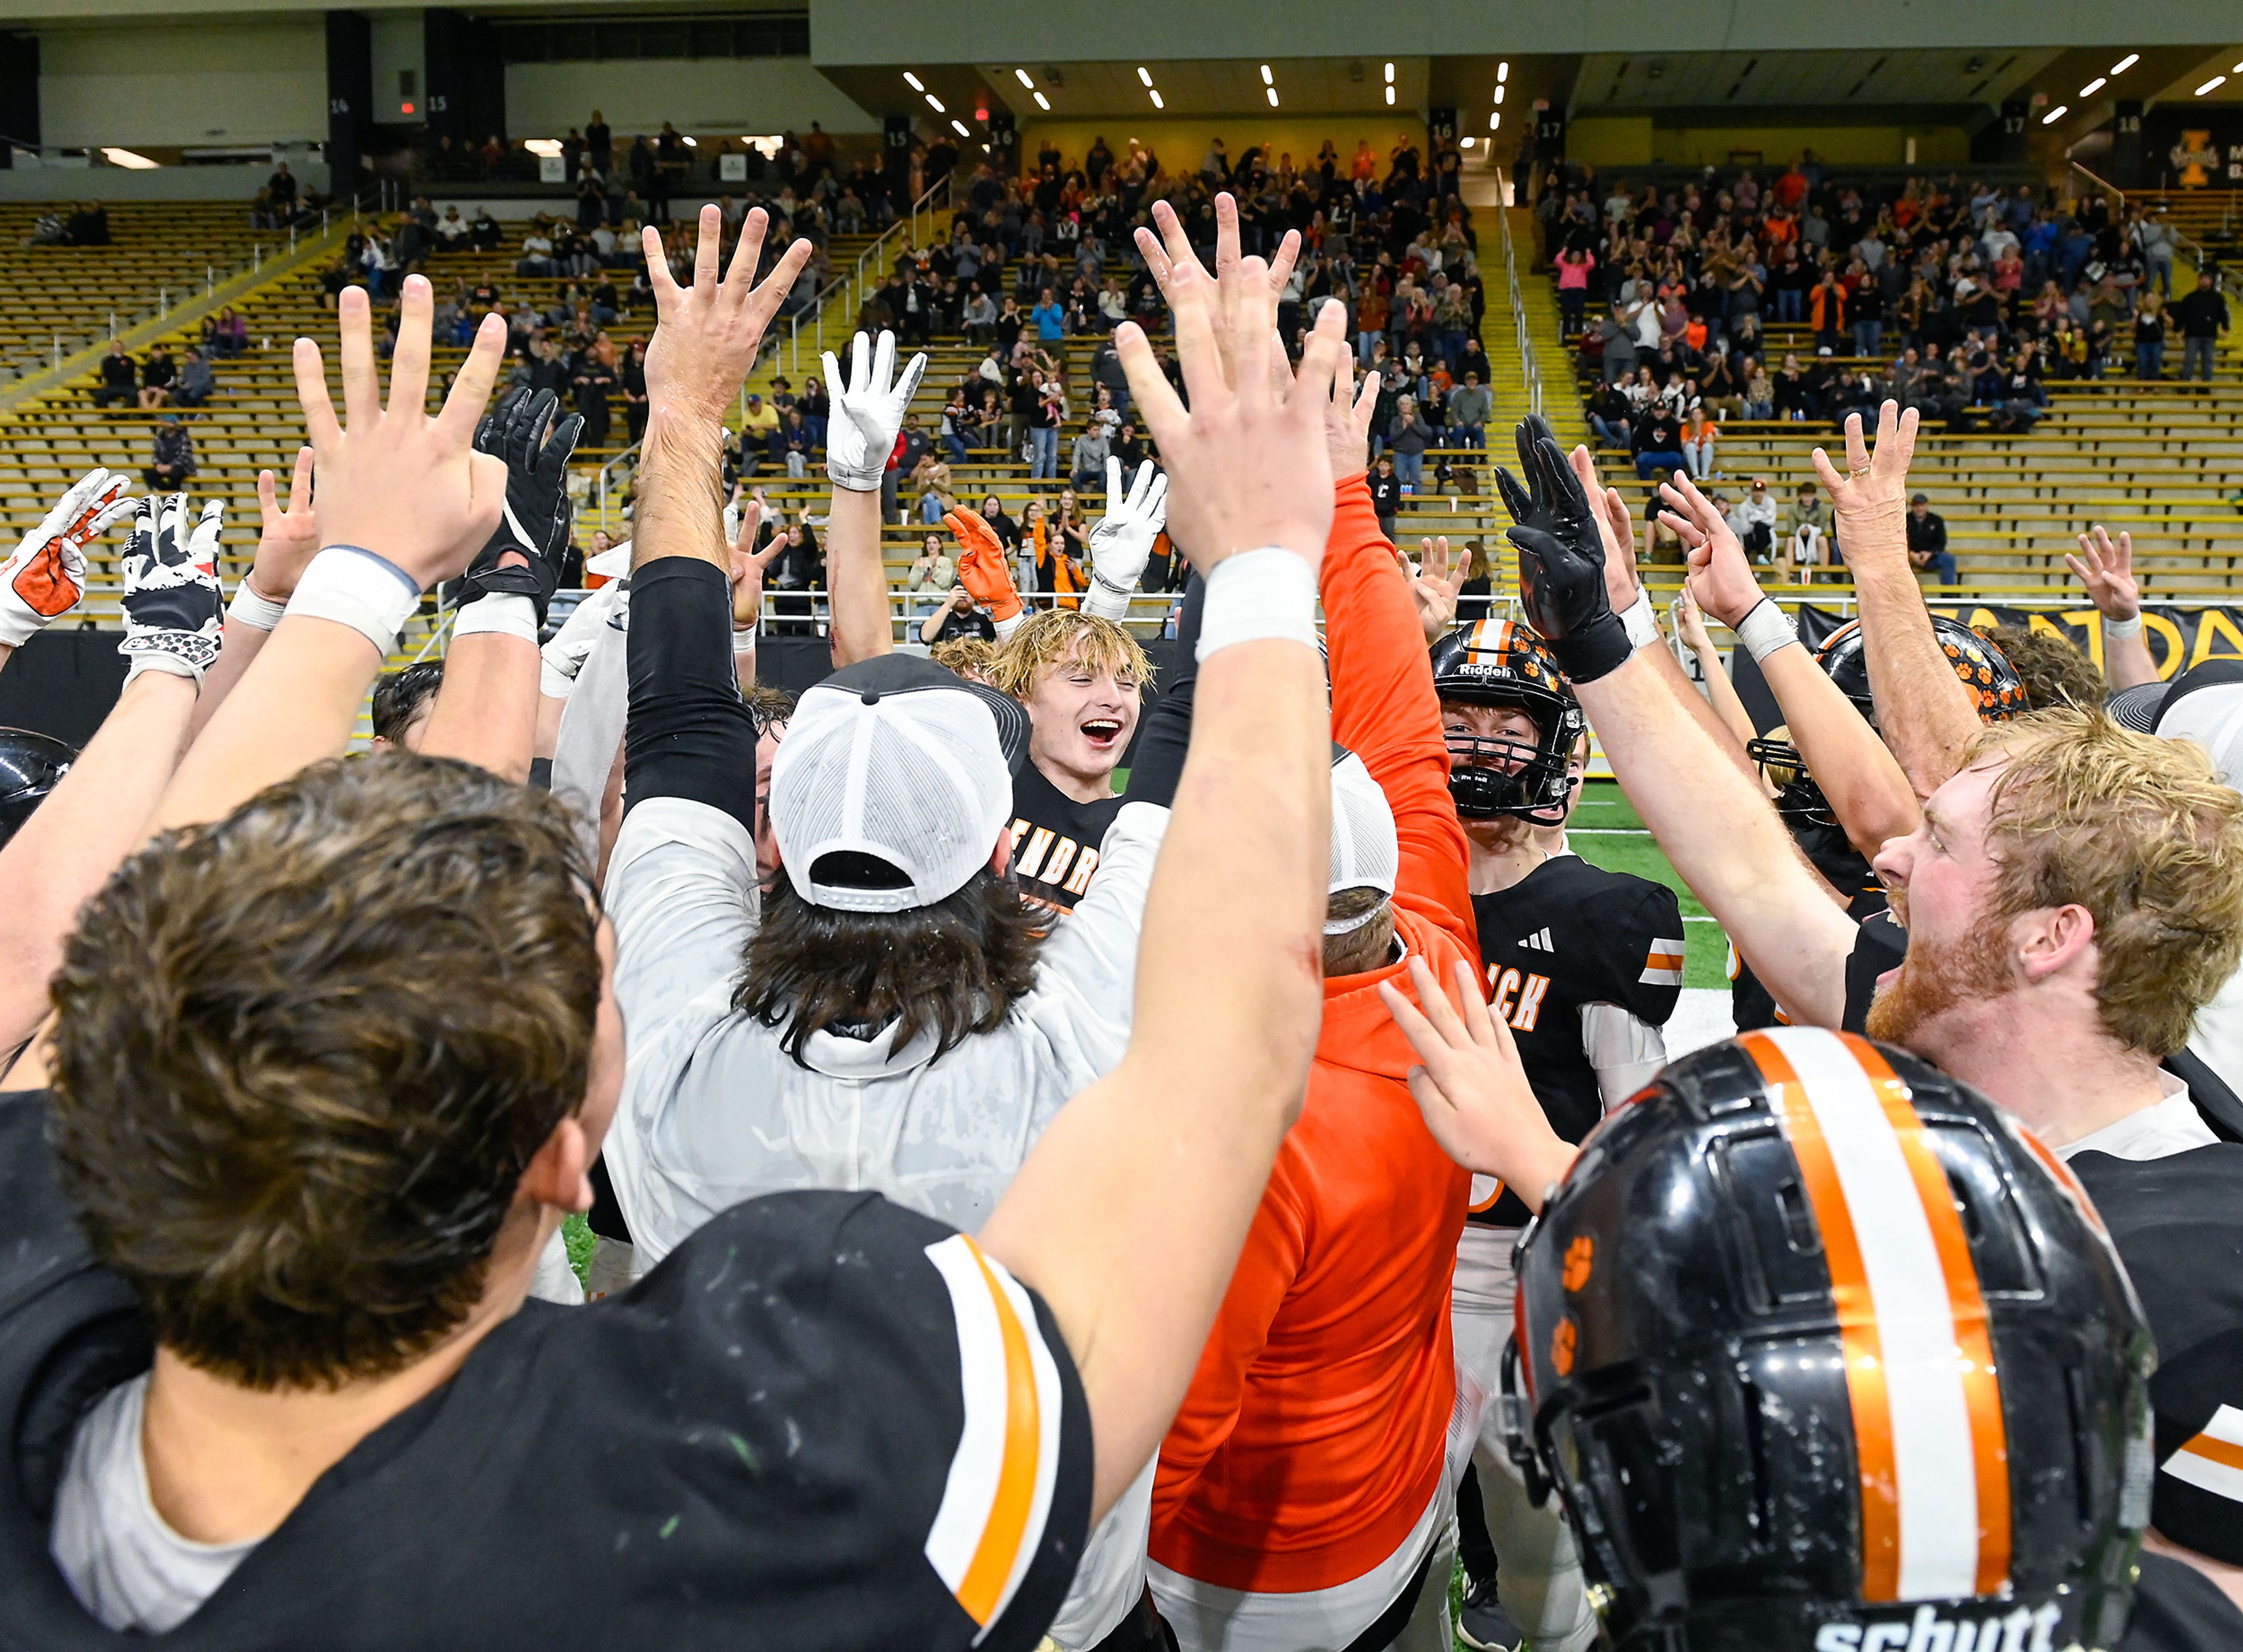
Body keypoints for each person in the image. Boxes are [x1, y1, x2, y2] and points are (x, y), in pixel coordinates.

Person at [6, 202, 1348, 1652]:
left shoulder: (46, 1244)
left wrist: (371, 581)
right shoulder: (769, 1495)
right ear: (558, 1159)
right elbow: (1230, 1050)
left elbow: (146, 943)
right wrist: (1268, 561)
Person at [1147, 351, 1474, 1652]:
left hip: (1252, 1563)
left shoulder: (1243, 1111)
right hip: (1405, 1479)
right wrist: (1344, 495)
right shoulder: (1440, 942)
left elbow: (1176, 1415)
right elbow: (1400, 703)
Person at [1425, 602, 1681, 1652]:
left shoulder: (1602, 913)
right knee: (1401, 1537)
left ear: (1552, 746)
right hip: (1389, 1259)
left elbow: (1630, 1136)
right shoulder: (1393, 889)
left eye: (1508, 724)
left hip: (1524, 1264)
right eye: (1460, 719)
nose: (1481, 744)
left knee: (1542, 1548)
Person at [2176, 269, 2228, 382]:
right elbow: (2182, 316)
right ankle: (2185, 384)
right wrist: (2179, 330)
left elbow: (2223, 314)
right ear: (2198, 280)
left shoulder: (2218, 298)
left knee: (2208, 361)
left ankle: (2206, 386)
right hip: (2192, 334)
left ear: (2211, 281)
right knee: (2189, 360)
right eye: (2202, 279)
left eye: (2207, 279)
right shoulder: (2189, 298)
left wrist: (2225, 328)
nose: (2204, 281)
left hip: (2209, 334)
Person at [1905, 490, 1955, 585]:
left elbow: (1941, 542)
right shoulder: (1905, 520)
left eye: (1922, 505)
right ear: (1912, 507)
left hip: (1931, 557)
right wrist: (1911, 554)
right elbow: (1899, 541)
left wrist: (1930, 554)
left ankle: (1949, 596)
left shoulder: (1937, 521)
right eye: (1916, 506)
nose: (1919, 508)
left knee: (1949, 560)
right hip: (1908, 557)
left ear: (1927, 506)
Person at [143, 416, 195, 490]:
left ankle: (173, 496)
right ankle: (166, 492)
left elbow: (185, 455)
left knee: (175, 476)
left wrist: (171, 466)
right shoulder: (160, 438)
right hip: (164, 465)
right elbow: (156, 454)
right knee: (149, 475)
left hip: (181, 466)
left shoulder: (183, 437)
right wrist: (158, 465)